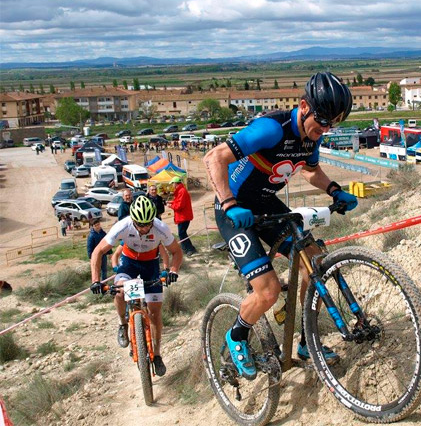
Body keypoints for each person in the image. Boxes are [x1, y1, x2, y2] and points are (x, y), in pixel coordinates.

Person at [203, 72, 358, 380]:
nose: (325, 129)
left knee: (313, 261)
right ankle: (236, 336)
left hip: (267, 206)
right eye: (323, 121)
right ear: (304, 106)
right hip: (235, 211)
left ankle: (306, 342)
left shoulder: (311, 137)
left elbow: (310, 171)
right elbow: (214, 158)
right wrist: (230, 204)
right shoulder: (271, 129)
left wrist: (334, 190)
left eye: (332, 124)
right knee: (269, 291)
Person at [89, 195, 183, 377]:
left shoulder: (160, 228)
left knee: (155, 312)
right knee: (120, 292)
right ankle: (123, 324)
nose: (144, 228)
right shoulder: (123, 226)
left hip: (150, 266)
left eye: (147, 224)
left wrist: (173, 270)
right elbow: (98, 252)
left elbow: (176, 251)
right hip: (129, 263)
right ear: (132, 219)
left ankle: (156, 354)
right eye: (139, 225)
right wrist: (95, 280)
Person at [168, 177, 198, 256]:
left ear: (175, 183)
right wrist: (171, 202)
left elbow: (179, 206)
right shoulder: (180, 191)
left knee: (182, 234)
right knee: (182, 233)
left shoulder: (182, 191)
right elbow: (178, 201)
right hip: (182, 216)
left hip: (183, 216)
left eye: (173, 184)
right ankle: (186, 249)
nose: (172, 185)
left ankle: (190, 249)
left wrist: (170, 206)